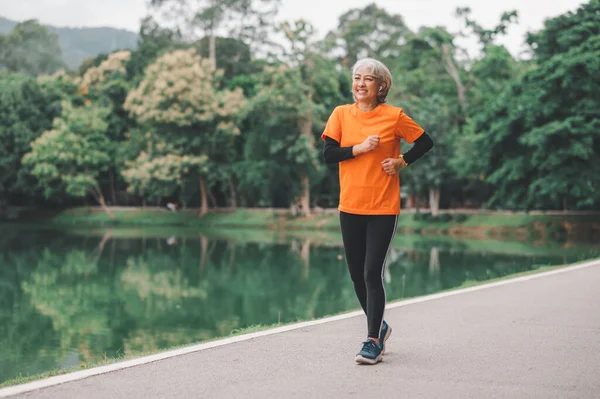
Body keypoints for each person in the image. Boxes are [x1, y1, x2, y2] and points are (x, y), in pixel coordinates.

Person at [321, 58, 433, 365]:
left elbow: (425, 141)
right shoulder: (341, 114)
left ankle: (372, 341)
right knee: (357, 274)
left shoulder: (394, 116)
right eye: (357, 78)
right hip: (350, 206)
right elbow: (329, 154)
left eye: (367, 79)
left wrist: (402, 162)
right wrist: (359, 149)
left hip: (383, 207)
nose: (360, 83)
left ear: (381, 86)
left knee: (372, 272)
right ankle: (379, 325)